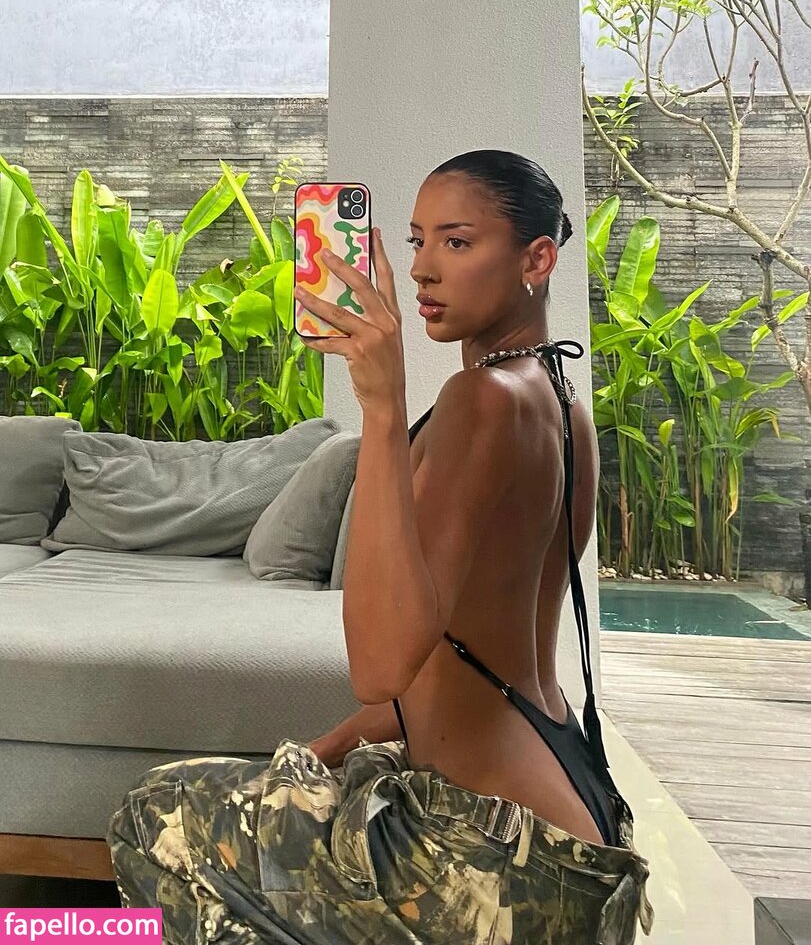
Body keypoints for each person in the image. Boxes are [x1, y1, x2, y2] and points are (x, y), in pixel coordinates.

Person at [107, 149, 654, 944]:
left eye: (457, 242)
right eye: (416, 240)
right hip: (571, 835)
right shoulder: (559, 398)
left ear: (537, 260)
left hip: (493, 867)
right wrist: (324, 748)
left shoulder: (482, 399)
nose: (424, 268)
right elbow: (460, 650)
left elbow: (381, 661)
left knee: (152, 813)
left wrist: (382, 408)